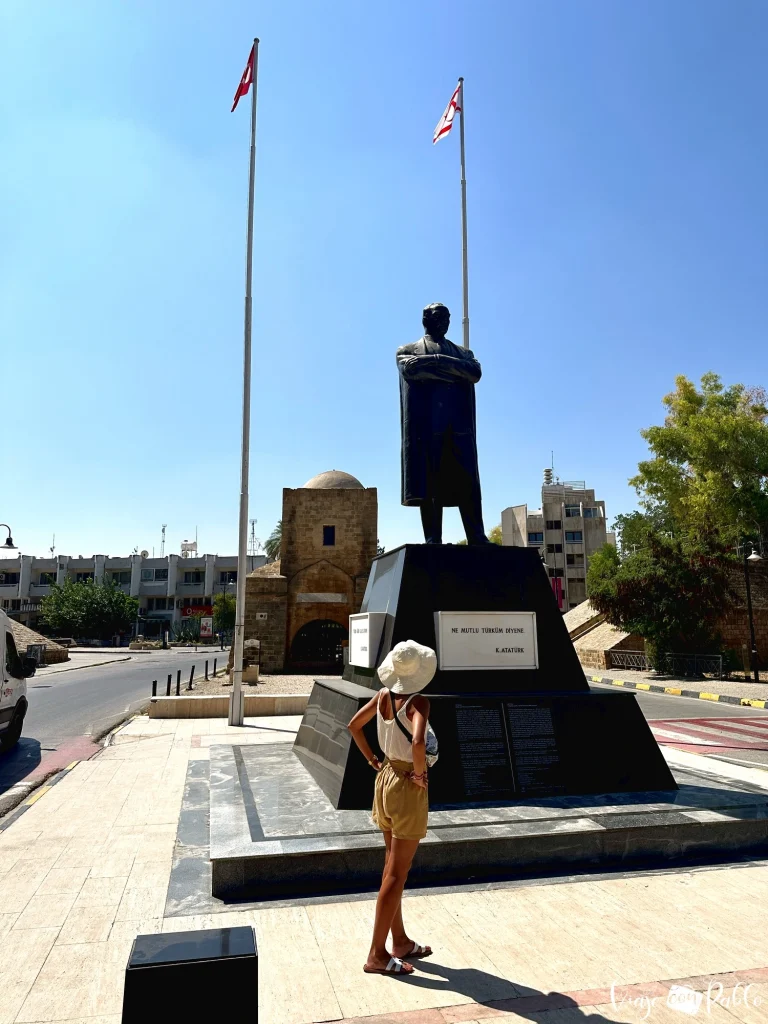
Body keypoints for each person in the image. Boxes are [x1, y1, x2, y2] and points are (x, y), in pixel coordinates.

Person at [347, 640, 437, 976]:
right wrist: (419, 774)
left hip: (383, 779)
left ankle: (399, 940)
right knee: (397, 873)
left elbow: (354, 725)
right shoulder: (419, 702)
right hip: (404, 785)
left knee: (391, 867)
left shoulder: (383, 697)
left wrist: (372, 758)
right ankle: (376, 954)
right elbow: (417, 742)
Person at [396, 302, 490, 545]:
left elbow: (475, 373)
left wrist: (435, 361)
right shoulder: (406, 350)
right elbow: (412, 370)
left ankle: (477, 537)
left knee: (468, 482)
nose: (445, 322)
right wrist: (455, 371)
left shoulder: (463, 353)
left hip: (459, 429)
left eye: (448, 317)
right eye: (439, 317)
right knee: (430, 483)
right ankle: (432, 539)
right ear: (426, 319)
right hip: (427, 429)